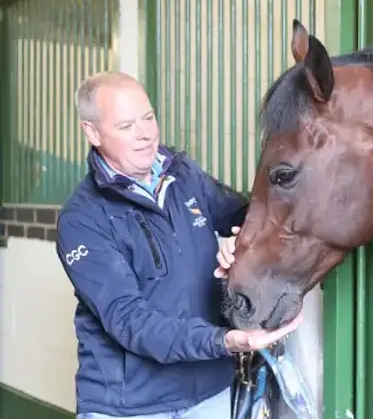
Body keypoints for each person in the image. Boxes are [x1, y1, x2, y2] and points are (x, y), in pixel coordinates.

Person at [55, 71, 301, 419]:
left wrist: (240, 241)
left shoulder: (183, 175)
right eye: (126, 126)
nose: (145, 134)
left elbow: (245, 216)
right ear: (92, 132)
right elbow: (130, 321)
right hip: (132, 406)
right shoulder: (83, 219)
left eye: (148, 117)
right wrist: (223, 341)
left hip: (212, 395)